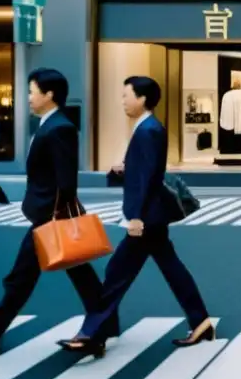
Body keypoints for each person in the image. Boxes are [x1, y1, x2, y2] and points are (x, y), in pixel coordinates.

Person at [59, 76, 213, 358]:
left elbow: (150, 178)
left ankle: (92, 333)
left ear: (141, 99)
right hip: (151, 217)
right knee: (169, 268)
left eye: (126, 95)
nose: (123, 101)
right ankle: (200, 320)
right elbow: (143, 172)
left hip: (147, 218)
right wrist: (123, 170)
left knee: (117, 273)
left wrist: (137, 217)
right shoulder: (148, 128)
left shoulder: (148, 130)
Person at [0, 68, 117, 356]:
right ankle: (104, 322)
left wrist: (53, 216)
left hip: (48, 218)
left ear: (49, 95)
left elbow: (66, 181)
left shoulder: (59, 128)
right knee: (78, 270)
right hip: (47, 216)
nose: (28, 98)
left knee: (20, 279)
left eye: (32, 92)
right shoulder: (50, 124)